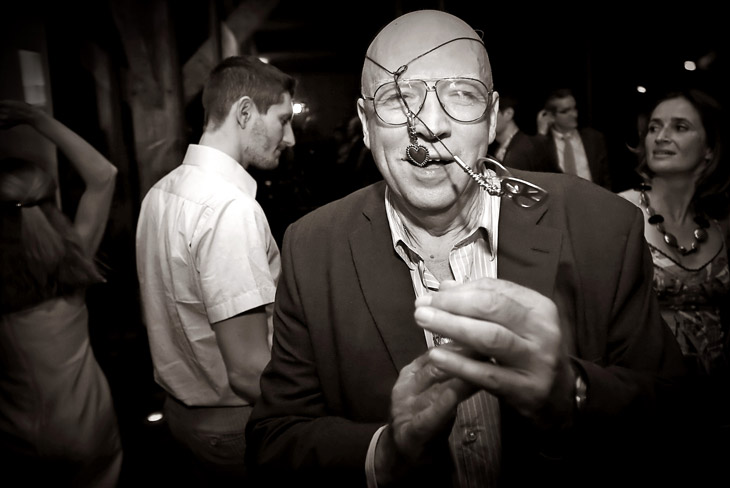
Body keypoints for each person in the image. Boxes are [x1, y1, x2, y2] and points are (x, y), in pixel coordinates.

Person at [246, 9, 690, 488]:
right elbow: (275, 439)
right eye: (399, 98)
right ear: (366, 122)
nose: (430, 125)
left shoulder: (603, 227)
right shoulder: (312, 248)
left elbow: (676, 413)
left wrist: (572, 393)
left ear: (493, 118)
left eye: (462, 94)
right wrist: (387, 453)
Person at [135, 55, 295, 486]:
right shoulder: (229, 209)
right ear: (244, 113)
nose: (290, 137)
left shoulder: (160, 192)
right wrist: (314, 415)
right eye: (283, 120)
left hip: (182, 414)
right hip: (234, 424)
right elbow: (247, 369)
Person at [0, 100, 122, 487]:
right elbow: (103, 175)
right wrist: (34, 118)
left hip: (17, 437)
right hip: (89, 426)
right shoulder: (73, 264)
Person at [618, 88, 730, 482]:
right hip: (646, 413)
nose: (661, 136)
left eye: (679, 127)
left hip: (716, 411)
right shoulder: (618, 211)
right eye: (654, 127)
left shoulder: (720, 225)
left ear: (710, 149)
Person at [536, 87, 612, 190]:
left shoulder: (593, 138)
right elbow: (538, 174)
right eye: (565, 111)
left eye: (574, 108)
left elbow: (606, 178)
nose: (574, 114)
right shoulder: (544, 144)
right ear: (551, 116)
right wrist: (541, 134)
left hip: (593, 196)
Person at [488, 93, 557, 172]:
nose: (485, 121)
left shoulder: (522, 148)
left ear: (508, 114)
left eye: (491, 114)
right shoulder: (505, 148)